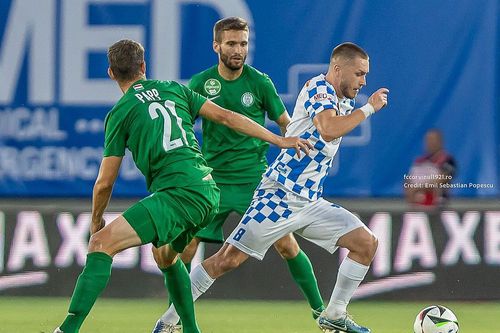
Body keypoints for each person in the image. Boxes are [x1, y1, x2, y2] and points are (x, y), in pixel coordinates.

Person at [53, 39, 311, 333]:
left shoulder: (121, 112)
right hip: (208, 190)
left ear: (111, 73)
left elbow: (104, 183)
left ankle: (66, 330)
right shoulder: (173, 89)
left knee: (101, 244)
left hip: (178, 194)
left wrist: (96, 221)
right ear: (143, 66)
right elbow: (227, 116)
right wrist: (278, 139)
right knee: (165, 255)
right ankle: (189, 329)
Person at [156, 42, 389, 333]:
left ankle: (335, 314)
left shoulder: (343, 99)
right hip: (279, 195)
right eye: (359, 74)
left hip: (310, 201)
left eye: (365, 75)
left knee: (366, 243)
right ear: (338, 69)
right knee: (227, 260)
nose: (363, 81)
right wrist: (370, 108)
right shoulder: (320, 89)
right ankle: (167, 322)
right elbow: (328, 129)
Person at [152, 17, 324, 333]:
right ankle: (174, 319)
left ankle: (322, 315)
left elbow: (285, 122)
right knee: (186, 247)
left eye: (243, 43)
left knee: (286, 245)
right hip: (211, 183)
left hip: (255, 183)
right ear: (216, 46)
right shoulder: (201, 83)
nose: (238, 50)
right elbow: (181, 126)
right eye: (231, 43)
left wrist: (303, 144)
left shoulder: (260, 83)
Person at [404, 129, 456, 208]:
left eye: (433, 140)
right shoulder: (419, 162)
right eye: (428, 140)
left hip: (437, 208)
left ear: (440, 141)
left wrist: (416, 188)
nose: (430, 143)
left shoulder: (448, 161)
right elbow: (408, 181)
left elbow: (441, 180)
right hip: (417, 206)